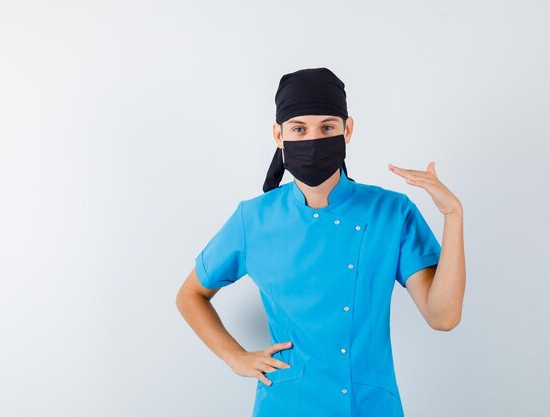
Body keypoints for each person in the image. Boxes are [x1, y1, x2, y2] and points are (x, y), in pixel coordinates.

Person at [175, 67, 466, 417]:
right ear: (278, 135)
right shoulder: (253, 218)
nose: (313, 139)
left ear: (348, 130)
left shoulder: (391, 212)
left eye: (327, 127)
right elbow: (190, 294)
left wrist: (453, 216)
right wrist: (234, 356)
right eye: (299, 128)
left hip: (370, 405)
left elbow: (443, 316)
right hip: (285, 403)